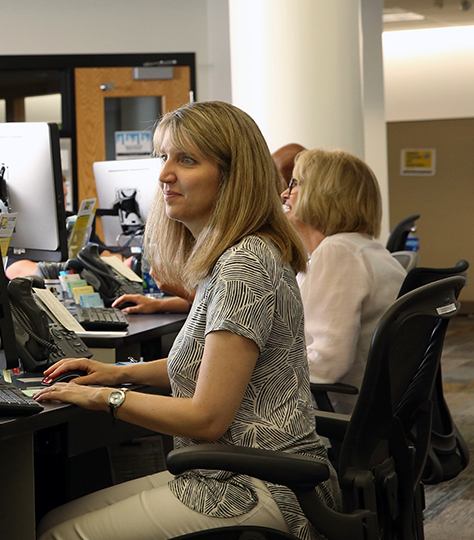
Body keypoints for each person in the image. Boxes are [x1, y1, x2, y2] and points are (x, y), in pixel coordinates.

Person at [33, 101, 338, 540]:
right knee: (49, 521)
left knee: (55, 536)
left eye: (187, 160)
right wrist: (118, 371)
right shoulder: (232, 256)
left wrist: (106, 397)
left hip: (258, 486)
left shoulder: (244, 264)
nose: (163, 175)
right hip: (235, 472)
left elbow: (207, 418)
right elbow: (209, 366)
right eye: (164, 157)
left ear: (233, 177)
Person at [281, 148, 406, 414]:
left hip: (333, 416)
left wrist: (258, 370)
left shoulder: (338, 252)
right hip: (375, 413)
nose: (284, 194)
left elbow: (327, 363)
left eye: (294, 184)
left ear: (323, 193)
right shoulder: (362, 248)